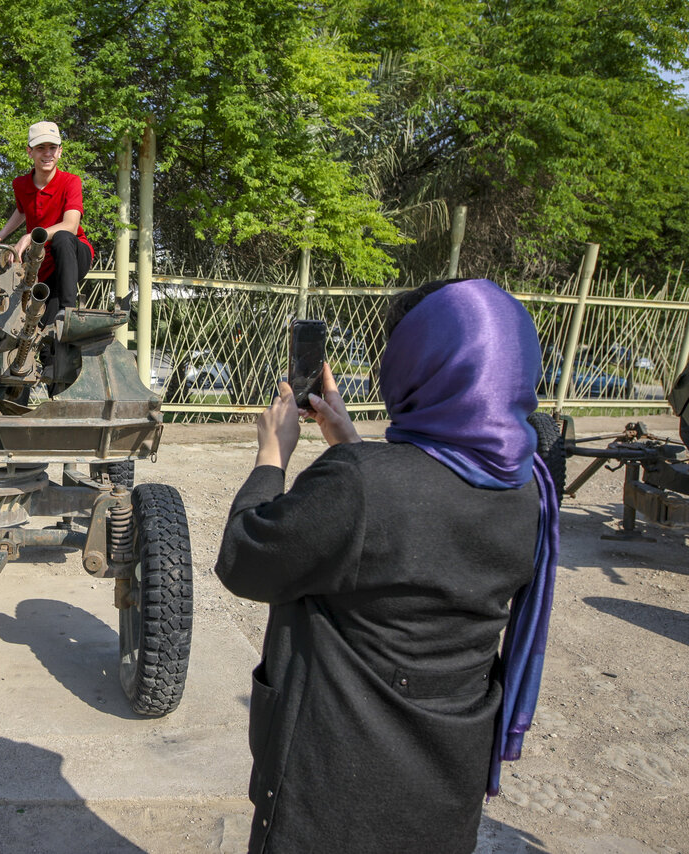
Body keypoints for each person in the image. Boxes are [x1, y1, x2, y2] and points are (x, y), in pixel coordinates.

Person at [215, 278, 559, 853]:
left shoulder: (363, 485)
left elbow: (245, 558)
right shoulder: (531, 490)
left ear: (413, 366)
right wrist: (352, 445)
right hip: (446, 783)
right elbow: (415, 528)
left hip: (335, 790)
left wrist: (271, 457)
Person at [0, 121, 94, 322]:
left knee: (62, 238)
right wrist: (1, 233)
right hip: (45, 263)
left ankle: (68, 312)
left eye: (52, 148)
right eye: (41, 148)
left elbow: (71, 225)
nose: (47, 153)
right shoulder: (20, 184)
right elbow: (22, 210)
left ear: (60, 152)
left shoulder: (71, 182)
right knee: (43, 327)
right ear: (30, 152)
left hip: (73, 256)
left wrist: (30, 236)